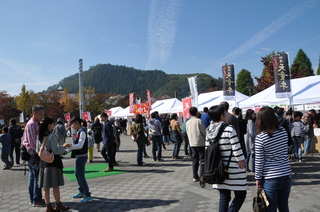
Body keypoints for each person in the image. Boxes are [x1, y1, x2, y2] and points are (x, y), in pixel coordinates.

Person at [206, 105, 247, 212]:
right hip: (233, 168)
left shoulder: (209, 130)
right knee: (241, 194)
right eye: (225, 113)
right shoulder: (229, 129)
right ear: (221, 115)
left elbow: (208, 150)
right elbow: (236, 148)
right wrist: (241, 162)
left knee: (224, 196)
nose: (227, 115)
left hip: (217, 168)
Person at [255, 106, 292, 212]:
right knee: (284, 206)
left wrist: (258, 179)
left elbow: (259, 161)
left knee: (271, 208)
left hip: (270, 177)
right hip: (286, 174)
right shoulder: (283, 132)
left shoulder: (260, 138)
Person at [36, 117, 69, 212]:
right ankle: (58, 204)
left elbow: (37, 150)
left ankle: (48, 206)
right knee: (55, 185)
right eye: (52, 123)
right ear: (49, 125)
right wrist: (64, 147)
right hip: (53, 162)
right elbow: (55, 150)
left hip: (43, 162)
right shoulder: (51, 136)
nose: (54, 125)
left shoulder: (38, 136)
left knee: (45, 187)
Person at [64, 116, 93, 203]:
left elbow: (80, 145)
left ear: (76, 122)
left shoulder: (82, 131)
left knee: (80, 176)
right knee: (77, 174)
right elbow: (74, 145)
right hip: (78, 156)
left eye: (72, 124)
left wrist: (69, 146)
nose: (71, 126)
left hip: (81, 156)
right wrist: (66, 151)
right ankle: (81, 191)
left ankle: (87, 195)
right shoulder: (79, 131)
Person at [22, 105, 45, 207]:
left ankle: (34, 199)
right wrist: (43, 151)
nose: (42, 116)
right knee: (36, 178)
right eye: (41, 114)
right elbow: (33, 143)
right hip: (34, 155)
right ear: (34, 113)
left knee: (33, 178)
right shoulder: (32, 124)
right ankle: (36, 199)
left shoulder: (35, 123)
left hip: (32, 155)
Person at [186, 107, 206, 183]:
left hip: (192, 143)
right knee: (202, 160)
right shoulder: (199, 121)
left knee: (194, 160)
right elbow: (204, 132)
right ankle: (202, 176)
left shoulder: (188, 122)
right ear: (196, 112)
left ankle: (195, 176)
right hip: (200, 143)